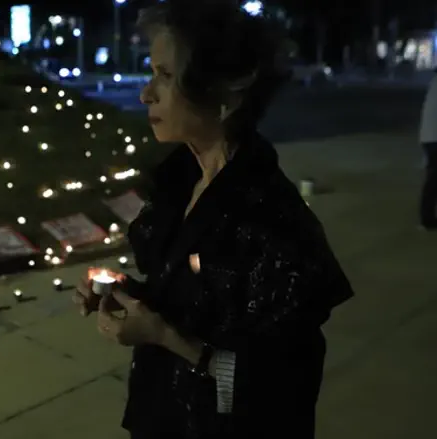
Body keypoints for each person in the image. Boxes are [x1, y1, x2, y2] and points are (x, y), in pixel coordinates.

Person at [72, 1, 354, 438]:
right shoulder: (181, 182)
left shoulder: (272, 223)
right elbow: (203, 300)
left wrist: (163, 335)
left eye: (165, 76)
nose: (146, 93)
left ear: (224, 97)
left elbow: (278, 391)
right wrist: (128, 294)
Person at [419, 68, 437, 230]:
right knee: (433, 180)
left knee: (432, 179)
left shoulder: (434, 83)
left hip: (429, 137)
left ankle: (427, 218)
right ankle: (427, 219)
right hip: (434, 137)